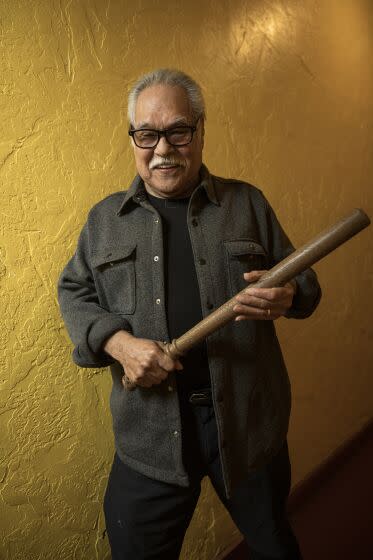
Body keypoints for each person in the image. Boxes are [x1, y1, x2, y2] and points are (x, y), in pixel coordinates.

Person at [58, 68, 321, 560]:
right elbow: (73, 291)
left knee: (276, 548)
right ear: (133, 138)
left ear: (200, 130)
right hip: (150, 434)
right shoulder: (104, 221)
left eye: (178, 130)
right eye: (147, 134)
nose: (163, 149)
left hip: (247, 427)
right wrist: (117, 342)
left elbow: (304, 283)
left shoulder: (248, 204)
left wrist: (287, 294)